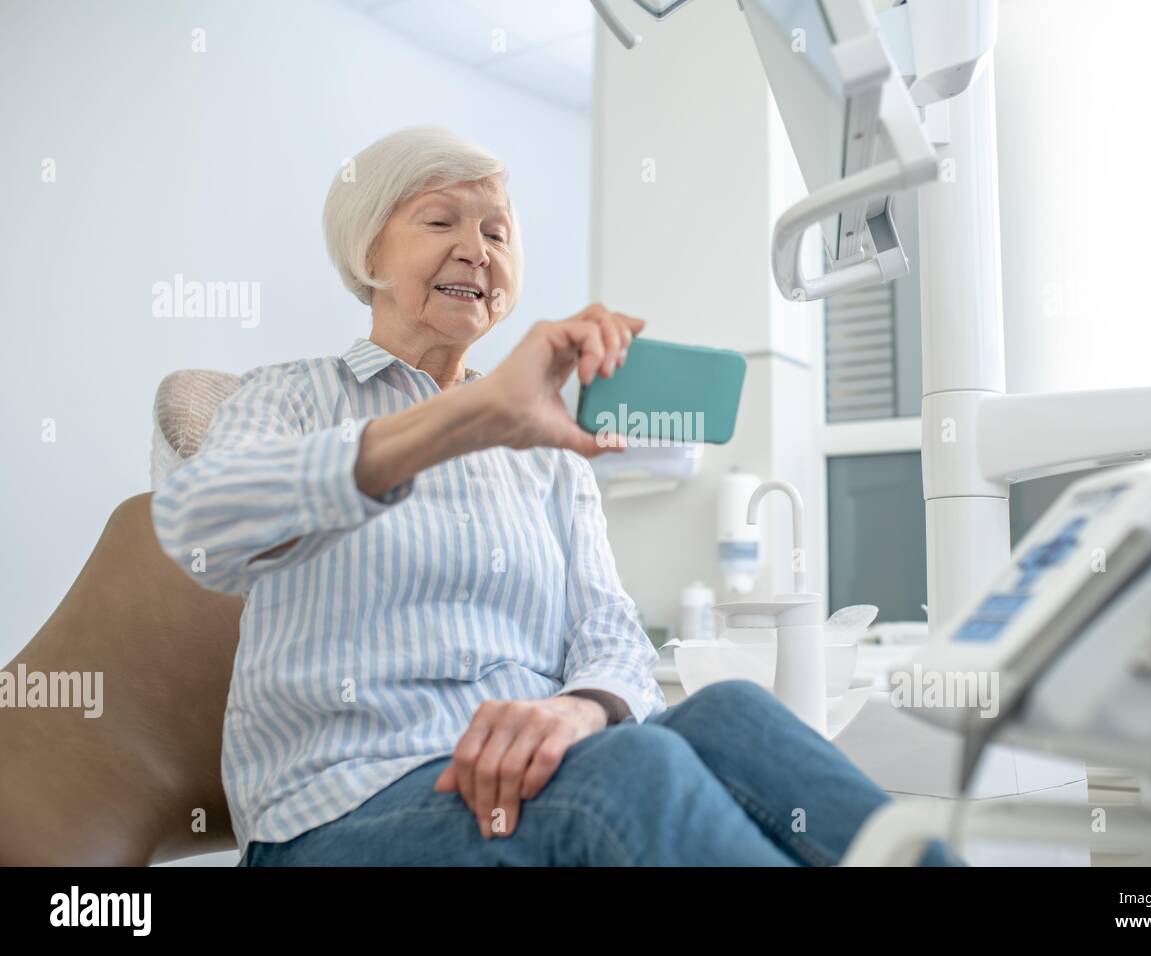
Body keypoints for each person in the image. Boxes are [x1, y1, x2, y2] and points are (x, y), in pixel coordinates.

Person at [152, 126, 963, 867]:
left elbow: (609, 631)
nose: (477, 250)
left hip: (537, 781)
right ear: (367, 253)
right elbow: (198, 524)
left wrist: (581, 708)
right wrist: (465, 417)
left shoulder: (547, 453)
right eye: (441, 222)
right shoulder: (287, 398)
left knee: (734, 715)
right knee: (630, 768)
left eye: (497, 232)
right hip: (337, 813)